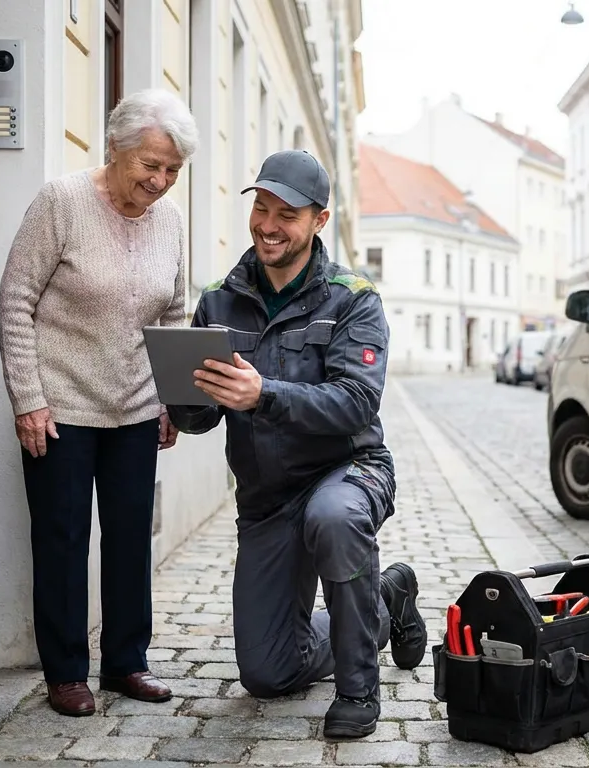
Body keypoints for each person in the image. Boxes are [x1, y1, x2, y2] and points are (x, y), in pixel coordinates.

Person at [167, 149, 426, 739]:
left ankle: (358, 689)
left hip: (348, 471)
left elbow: (356, 402)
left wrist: (262, 394)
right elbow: (203, 418)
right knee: (267, 672)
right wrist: (182, 400)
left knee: (334, 518)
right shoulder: (219, 300)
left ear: (318, 221)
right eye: (261, 209)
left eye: (287, 215)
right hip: (267, 498)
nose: (268, 225)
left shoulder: (352, 298)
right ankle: (385, 603)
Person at [0, 88, 199, 717]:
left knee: (131, 536)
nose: (160, 181)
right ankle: (65, 673)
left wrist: (171, 398)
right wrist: (28, 398)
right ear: (115, 148)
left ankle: (126, 663)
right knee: (62, 538)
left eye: (172, 170)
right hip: (59, 407)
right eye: (150, 165)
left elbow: (174, 313)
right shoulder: (61, 202)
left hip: (135, 406)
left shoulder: (170, 220)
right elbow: (15, 302)